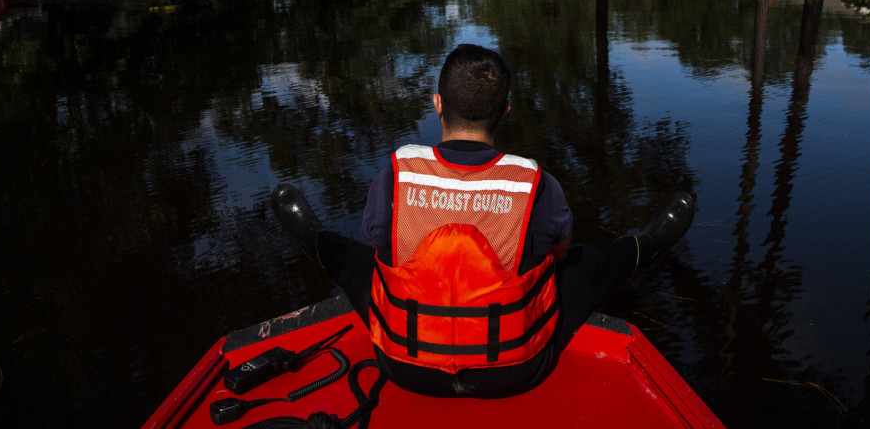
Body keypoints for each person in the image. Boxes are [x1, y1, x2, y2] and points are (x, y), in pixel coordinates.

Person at [273, 44, 694, 398]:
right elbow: (559, 253)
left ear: (437, 104)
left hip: (403, 366)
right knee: (586, 265)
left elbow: (377, 244)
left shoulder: (396, 176)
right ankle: (649, 243)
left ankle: (312, 235)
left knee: (357, 260)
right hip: (515, 371)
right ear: (505, 111)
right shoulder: (537, 184)